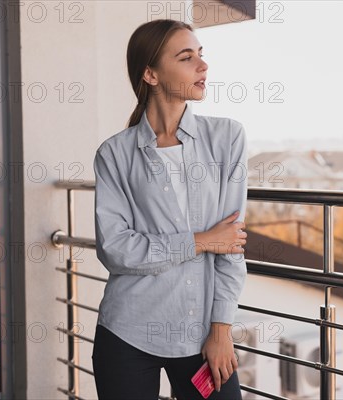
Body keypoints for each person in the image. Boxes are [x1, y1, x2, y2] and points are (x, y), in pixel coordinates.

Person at [91, 19, 248, 399]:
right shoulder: (114, 154)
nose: (202, 66)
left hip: (202, 338)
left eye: (201, 55)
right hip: (126, 333)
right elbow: (115, 249)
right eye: (186, 57)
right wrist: (200, 241)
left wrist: (221, 329)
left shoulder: (227, 138)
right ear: (151, 74)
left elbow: (231, 245)